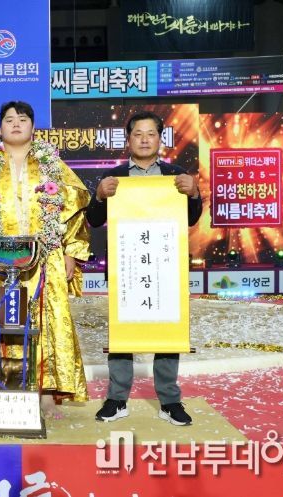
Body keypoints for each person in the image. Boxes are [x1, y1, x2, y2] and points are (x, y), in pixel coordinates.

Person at [0, 101, 91, 417]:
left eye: (22, 119)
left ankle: (46, 391)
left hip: (46, 258)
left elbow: (74, 213)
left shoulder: (53, 165)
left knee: (47, 321)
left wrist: (72, 251)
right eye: (9, 119)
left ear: (33, 127)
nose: (15, 124)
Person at [86, 110, 203, 426]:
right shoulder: (114, 176)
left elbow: (192, 217)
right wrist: (99, 196)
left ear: (160, 139)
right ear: (128, 140)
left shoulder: (175, 174)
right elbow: (93, 219)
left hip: (166, 268)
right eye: (138, 134)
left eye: (151, 134)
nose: (144, 140)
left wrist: (194, 193)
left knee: (167, 333)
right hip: (127, 268)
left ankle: (170, 401)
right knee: (123, 333)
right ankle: (117, 399)